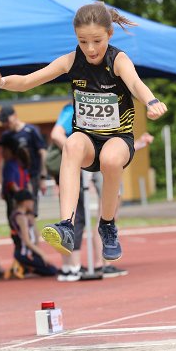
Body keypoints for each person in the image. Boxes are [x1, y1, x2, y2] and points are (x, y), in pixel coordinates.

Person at [0, 1, 167, 263]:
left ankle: (108, 224)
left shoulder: (118, 59)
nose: (90, 49)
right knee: (71, 144)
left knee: (111, 160)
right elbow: (27, 81)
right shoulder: (71, 61)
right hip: (87, 139)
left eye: (97, 41)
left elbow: (136, 83)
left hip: (117, 138)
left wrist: (152, 101)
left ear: (109, 35)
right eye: (83, 41)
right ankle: (66, 225)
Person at [49, 102, 128, 281]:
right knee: (76, 216)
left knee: (105, 210)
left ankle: (93, 263)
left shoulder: (107, 105)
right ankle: (73, 266)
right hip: (84, 160)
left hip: (99, 158)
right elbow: (56, 134)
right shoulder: (73, 109)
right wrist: (76, 156)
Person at [0, 105, 47, 217]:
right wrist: (1, 186)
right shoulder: (6, 136)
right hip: (14, 178)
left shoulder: (30, 131)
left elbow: (42, 152)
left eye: (6, 120)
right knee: (14, 211)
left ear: (14, 116)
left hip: (32, 175)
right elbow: (3, 161)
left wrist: (43, 177)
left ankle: (29, 232)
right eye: (3, 122)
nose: (5, 124)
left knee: (30, 209)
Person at [8, 190, 58, 278]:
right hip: (24, 253)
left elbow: (35, 233)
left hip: (30, 252)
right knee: (52, 271)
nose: (33, 204)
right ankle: (24, 269)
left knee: (54, 269)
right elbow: (27, 241)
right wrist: (42, 254)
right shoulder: (20, 217)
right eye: (32, 202)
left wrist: (37, 252)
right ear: (25, 202)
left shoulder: (26, 216)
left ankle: (25, 268)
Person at [0, 134, 32, 225]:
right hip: (23, 199)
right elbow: (27, 182)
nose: (2, 152)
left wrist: (20, 198)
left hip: (14, 199)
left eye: (4, 150)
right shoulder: (20, 164)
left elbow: (11, 183)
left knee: (15, 224)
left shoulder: (9, 165)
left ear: (10, 150)